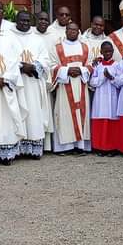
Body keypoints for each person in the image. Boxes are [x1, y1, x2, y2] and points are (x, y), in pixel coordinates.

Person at [0, 12, 26, 164]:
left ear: (0, 23)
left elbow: (15, 62)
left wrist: (5, 78)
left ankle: (7, 153)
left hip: (6, 87)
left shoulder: (9, 40)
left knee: (7, 119)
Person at [10, 11, 52, 158]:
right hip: (18, 83)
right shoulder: (10, 37)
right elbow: (7, 58)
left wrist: (33, 67)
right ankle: (19, 148)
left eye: (28, 21)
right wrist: (22, 67)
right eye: (22, 21)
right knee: (19, 112)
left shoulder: (37, 39)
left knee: (34, 113)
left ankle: (34, 147)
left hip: (33, 82)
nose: (25, 23)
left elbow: (46, 60)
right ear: (16, 21)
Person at [50, 22, 93, 154]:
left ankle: (80, 146)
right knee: (64, 115)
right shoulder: (57, 48)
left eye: (74, 30)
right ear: (66, 31)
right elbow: (51, 66)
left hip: (81, 84)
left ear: (78, 31)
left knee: (82, 114)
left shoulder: (85, 47)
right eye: (69, 30)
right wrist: (66, 71)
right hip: (64, 86)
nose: (72, 32)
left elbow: (91, 65)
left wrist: (81, 70)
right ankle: (65, 147)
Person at [89, 42, 120, 156]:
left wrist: (111, 78)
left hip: (112, 97)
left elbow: (120, 82)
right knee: (100, 121)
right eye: (105, 51)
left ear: (113, 52)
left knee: (112, 121)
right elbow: (92, 82)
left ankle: (112, 148)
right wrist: (103, 77)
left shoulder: (117, 65)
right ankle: (100, 147)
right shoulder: (98, 66)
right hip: (100, 97)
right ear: (101, 52)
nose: (107, 53)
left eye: (110, 51)